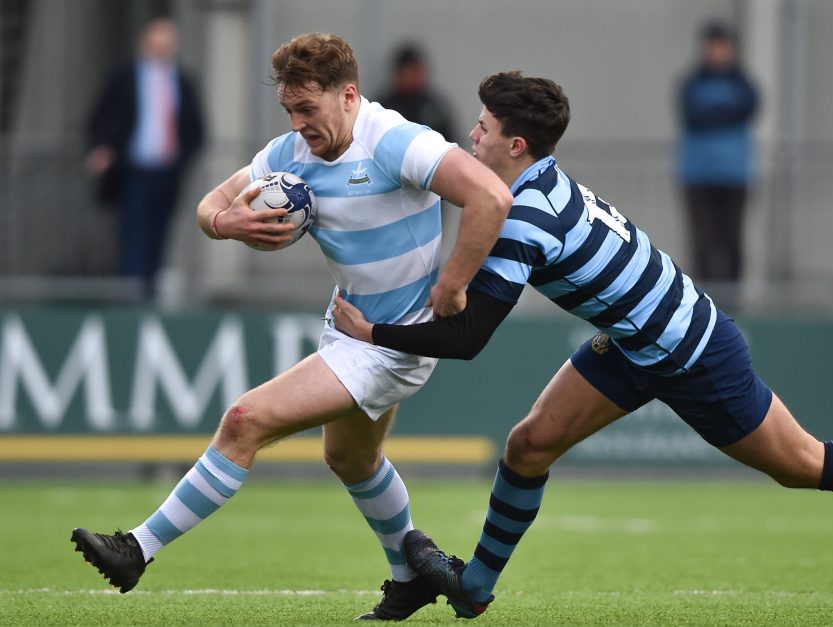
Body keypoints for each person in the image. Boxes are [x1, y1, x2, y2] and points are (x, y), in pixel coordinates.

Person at [330, 71, 833, 619]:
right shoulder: (535, 186)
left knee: (802, 463)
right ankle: (475, 588)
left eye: (482, 128)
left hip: (693, 351)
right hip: (635, 342)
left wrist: (374, 332)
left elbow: (469, 337)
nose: (470, 137)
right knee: (529, 444)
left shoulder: (526, 218)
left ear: (516, 146)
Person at [70, 33, 512, 622]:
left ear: (348, 96)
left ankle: (137, 549)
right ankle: (409, 577)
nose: (298, 124)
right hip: (348, 329)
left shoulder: (397, 141)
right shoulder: (289, 153)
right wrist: (227, 224)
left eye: (308, 108)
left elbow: (491, 196)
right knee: (351, 460)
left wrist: (453, 285)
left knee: (244, 420)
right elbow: (209, 205)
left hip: (393, 343)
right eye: (289, 110)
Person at [85, 17, 206, 299]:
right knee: (134, 231)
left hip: (169, 170)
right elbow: (101, 117)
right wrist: (101, 148)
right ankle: (132, 293)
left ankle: (149, 292)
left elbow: (195, 127)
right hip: (134, 169)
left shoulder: (183, 80)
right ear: (146, 43)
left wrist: (182, 160)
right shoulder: (124, 77)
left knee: (160, 232)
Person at [676, 20, 759, 283]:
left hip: (734, 173)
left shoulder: (743, 83)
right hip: (698, 174)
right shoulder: (691, 83)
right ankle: (703, 295)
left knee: (732, 238)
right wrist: (725, 112)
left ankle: (733, 296)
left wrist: (715, 113)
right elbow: (693, 114)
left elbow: (748, 108)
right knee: (703, 241)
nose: (717, 52)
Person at [377, 43, 455, 143]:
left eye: (418, 71)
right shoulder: (385, 108)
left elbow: (451, 142)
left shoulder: (435, 107)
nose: (417, 76)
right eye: (412, 71)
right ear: (399, 73)